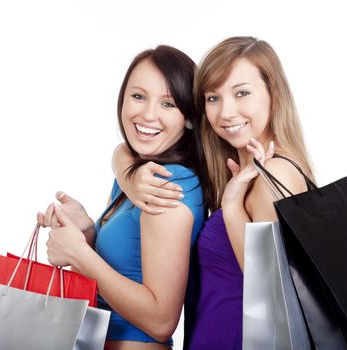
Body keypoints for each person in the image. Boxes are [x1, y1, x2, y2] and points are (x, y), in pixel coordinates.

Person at [113, 36, 316, 349]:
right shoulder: (237, 172)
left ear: (273, 94)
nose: (226, 112)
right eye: (213, 98)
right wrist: (126, 170)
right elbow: (129, 150)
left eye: (241, 93)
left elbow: (277, 299)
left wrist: (233, 208)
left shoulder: (276, 174)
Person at [37, 45, 211, 350]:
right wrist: (87, 233)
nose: (147, 114)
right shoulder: (136, 177)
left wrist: (80, 255)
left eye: (168, 104)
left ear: (189, 118)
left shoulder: (166, 186)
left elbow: (160, 321)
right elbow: (126, 269)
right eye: (139, 96)